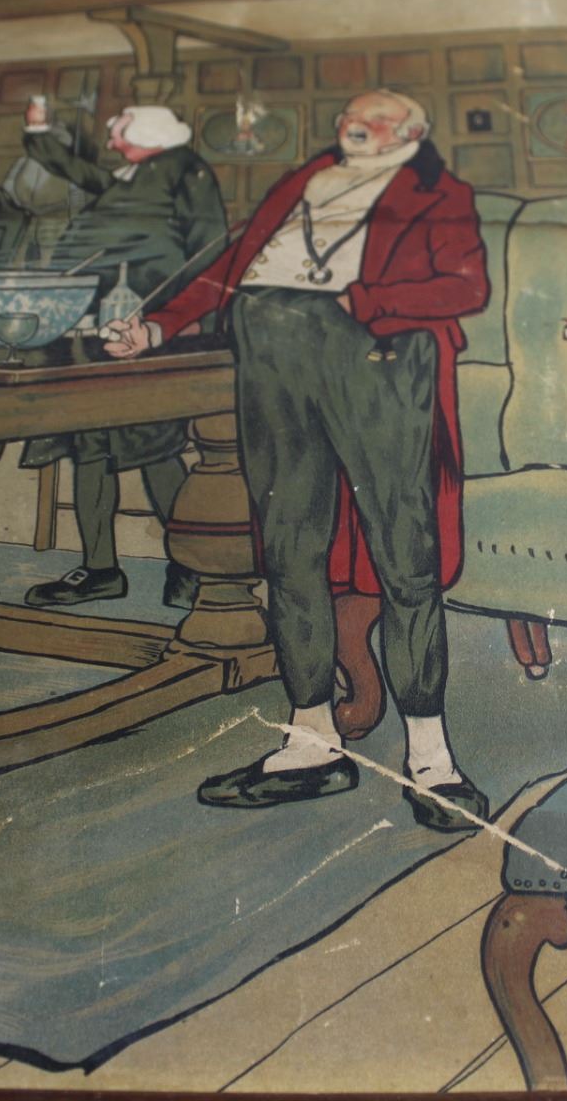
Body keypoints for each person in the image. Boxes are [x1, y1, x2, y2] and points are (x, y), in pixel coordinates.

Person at [102, 89, 490, 831]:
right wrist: (157, 326)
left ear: (410, 133)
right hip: (271, 355)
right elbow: (231, 264)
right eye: (351, 117)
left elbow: (467, 286)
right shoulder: (306, 177)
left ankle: (432, 760)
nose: (355, 126)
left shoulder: (438, 193)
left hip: (375, 358)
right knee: (289, 549)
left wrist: (365, 302)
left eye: (375, 121)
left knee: (404, 555)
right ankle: (312, 743)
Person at [13, 98, 227, 608]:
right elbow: (80, 171)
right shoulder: (130, 178)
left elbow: (210, 248)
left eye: (120, 133)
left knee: (156, 448)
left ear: (150, 133)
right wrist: (39, 132)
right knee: (90, 446)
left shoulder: (185, 170)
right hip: (94, 326)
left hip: (147, 330)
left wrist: (176, 320)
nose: (110, 142)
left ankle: (193, 568)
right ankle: (100, 569)